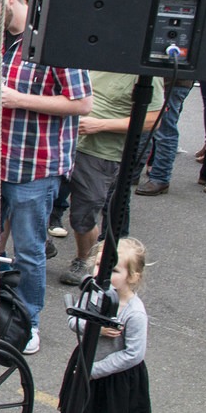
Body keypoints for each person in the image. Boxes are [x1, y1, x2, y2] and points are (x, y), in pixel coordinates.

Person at [0, 0, 92, 354]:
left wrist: (19, 99)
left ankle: (27, 323)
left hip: (34, 165)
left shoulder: (54, 39)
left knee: (28, 250)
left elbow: (82, 103)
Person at [59, 71, 162, 284]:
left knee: (83, 214)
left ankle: (84, 260)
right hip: (61, 140)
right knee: (33, 198)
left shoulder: (145, 72)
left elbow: (153, 120)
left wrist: (101, 125)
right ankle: (40, 246)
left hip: (100, 152)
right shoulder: (95, 56)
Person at [58, 238, 153, 413]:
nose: (103, 273)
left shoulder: (134, 313)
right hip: (87, 370)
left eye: (114, 270)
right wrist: (96, 329)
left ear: (133, 276)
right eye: (100, 265)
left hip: (116, 381)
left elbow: (134, 354)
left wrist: (95, 370)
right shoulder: (93, 292)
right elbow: (74, 320)